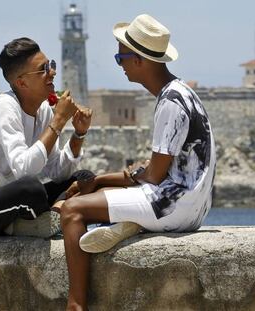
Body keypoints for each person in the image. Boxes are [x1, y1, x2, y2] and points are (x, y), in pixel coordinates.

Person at [57, 14, 216, 310]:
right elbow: (159, 168)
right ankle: (131, 223)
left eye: (121, 58)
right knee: (100, 195)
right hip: (194, 205)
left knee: (72, 210)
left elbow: (154, 176)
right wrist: (106, 180)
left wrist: (104, 180)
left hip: (174, 206)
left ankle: (75, 303)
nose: (120, 65)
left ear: (140, 60)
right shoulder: (183, 92)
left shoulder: (170, 102)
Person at [0, 37, 93, 237]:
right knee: (31, 188)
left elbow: (58, 172)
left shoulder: (43, 110)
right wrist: (58, 122)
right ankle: (38, 223)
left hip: (13, 201)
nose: (52, 72)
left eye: (51, 65)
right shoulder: (4, 107)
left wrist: (79, 134)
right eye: (43, 69)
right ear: (21, 82)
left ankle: (52, 217)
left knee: (84, 180)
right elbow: (24, 169)